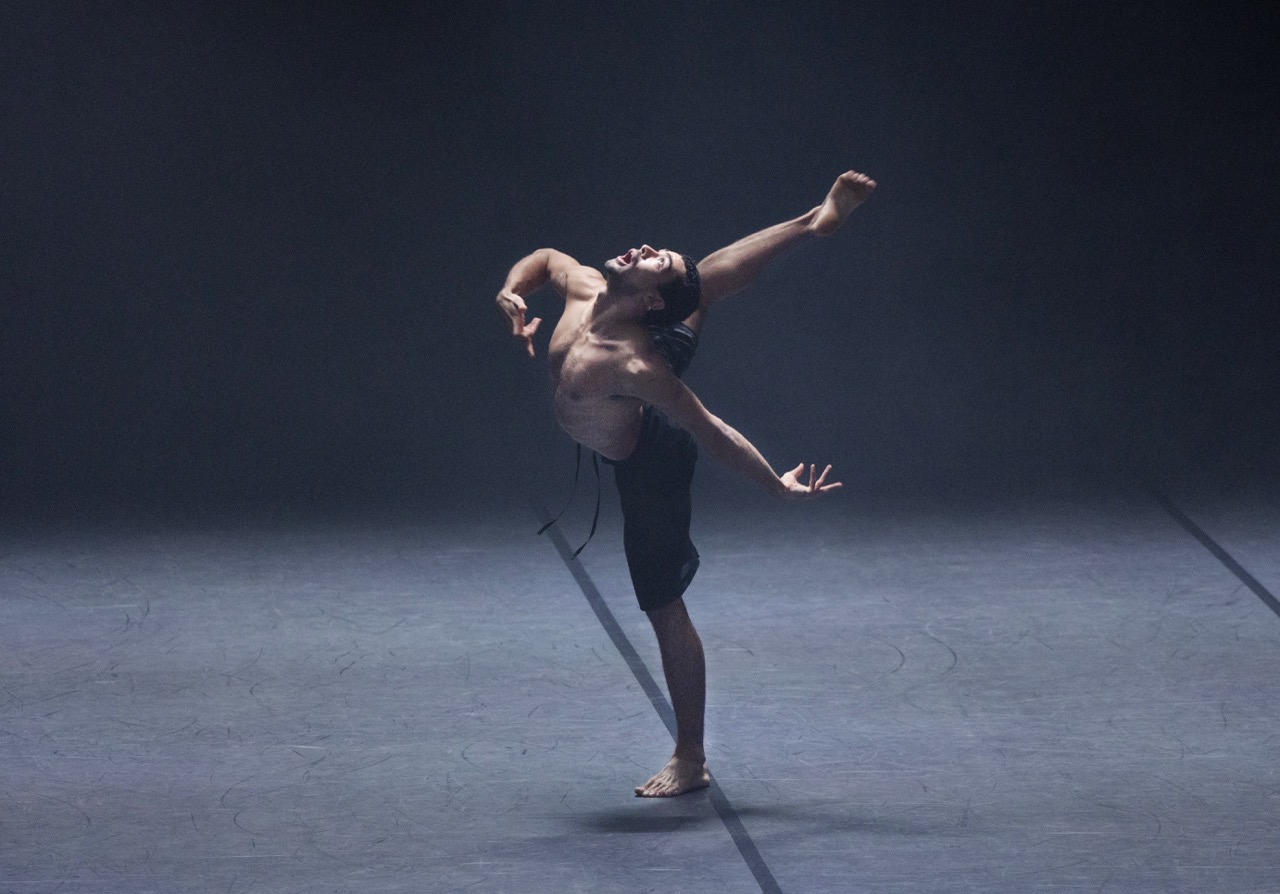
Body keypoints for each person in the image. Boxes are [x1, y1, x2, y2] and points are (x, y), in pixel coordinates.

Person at [496, 170, 876, 797]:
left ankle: (691, 757)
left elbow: (708, 427)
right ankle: (815, 220)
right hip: (635, 336)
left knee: (660, 602)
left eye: (654, 260)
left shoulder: (638, 365)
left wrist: (774, 485)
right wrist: (510, 294)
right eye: (653, 251)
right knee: (695, 290)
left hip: (650, 452)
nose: (644, 247)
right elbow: (541, 259)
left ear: (646, 301)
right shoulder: (586, 285)